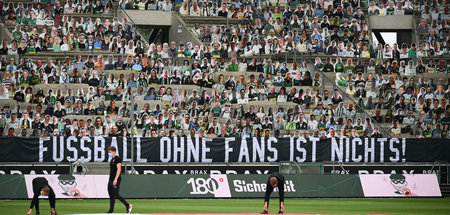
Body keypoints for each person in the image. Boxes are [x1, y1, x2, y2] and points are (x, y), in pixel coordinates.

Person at [107, 146, 132, 213]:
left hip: (116, 179)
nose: (109, 153)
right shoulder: (112, 159)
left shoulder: (118, 159)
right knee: (111, 196)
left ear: (114, 151)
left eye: (110, 152)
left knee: (116, 195)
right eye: (109, 152)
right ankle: (111, 210)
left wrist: (115, 179)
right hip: (110, 179)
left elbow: (119, 169)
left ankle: (128, 205)